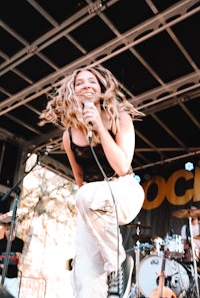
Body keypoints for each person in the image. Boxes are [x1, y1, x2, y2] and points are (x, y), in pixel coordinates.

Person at [39, 64, 145, 297]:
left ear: (101, 88)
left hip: (124, 190)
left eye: (92, 81)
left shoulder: (121, 118)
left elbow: (122, 166)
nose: (86, 85)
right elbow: (80, 179)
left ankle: (119, 263)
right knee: (84, 278)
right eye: (80, 83)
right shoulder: (69, 135)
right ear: (73, 91)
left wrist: (98, 124)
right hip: (93, 201)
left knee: (86, 195)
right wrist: (91, 216)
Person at [0, 221, 24, 298]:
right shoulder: (1, 242)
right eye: (7, 229)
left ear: (14, 230)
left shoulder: (19, 242)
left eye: (10, 229)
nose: (8, 232)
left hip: (12, 275)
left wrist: (4, 258)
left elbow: (16, 259)